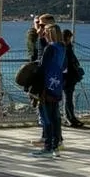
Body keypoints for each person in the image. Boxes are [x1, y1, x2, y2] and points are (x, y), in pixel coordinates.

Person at [35, 22, 67, 156]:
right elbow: (64, 67)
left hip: (46, 84)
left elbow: (42, 67)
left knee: (46, 116)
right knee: (55, 116)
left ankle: (48, 147)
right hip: (57, 84)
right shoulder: (62, 48)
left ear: (49, 34)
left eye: (45, 33)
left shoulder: (50, 48)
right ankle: (56, 145)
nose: (43, 35)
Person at [61, 29, 85, 128]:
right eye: (69, 38)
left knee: (68, 98)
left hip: (70, 77)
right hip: (68, 77)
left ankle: (70, 117)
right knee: (68, 99)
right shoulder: (66, 48)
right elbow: (69, 62)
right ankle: (69, 118)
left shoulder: (67, 48)